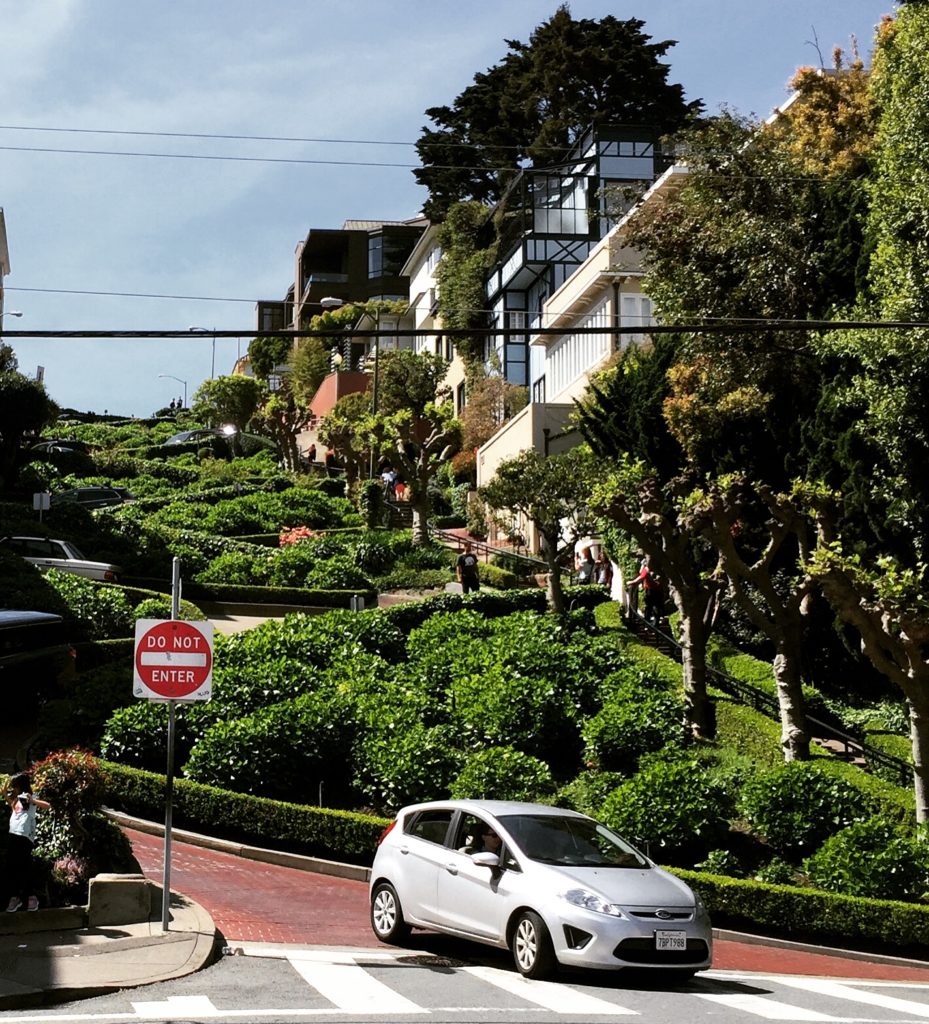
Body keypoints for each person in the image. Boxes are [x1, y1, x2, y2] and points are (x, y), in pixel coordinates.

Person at [6, 773, 50, 913]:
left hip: (25, 835)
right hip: (13, 833)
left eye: (16, 787)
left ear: (21, 786)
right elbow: (14, 810)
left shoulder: (31, 796)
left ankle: (31, 898)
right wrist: (6, 795)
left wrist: (33, 801)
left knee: (24, 866)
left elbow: (47, 806)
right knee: (13, 866)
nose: (15, 789)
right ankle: (16, 898)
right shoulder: (17, 800)